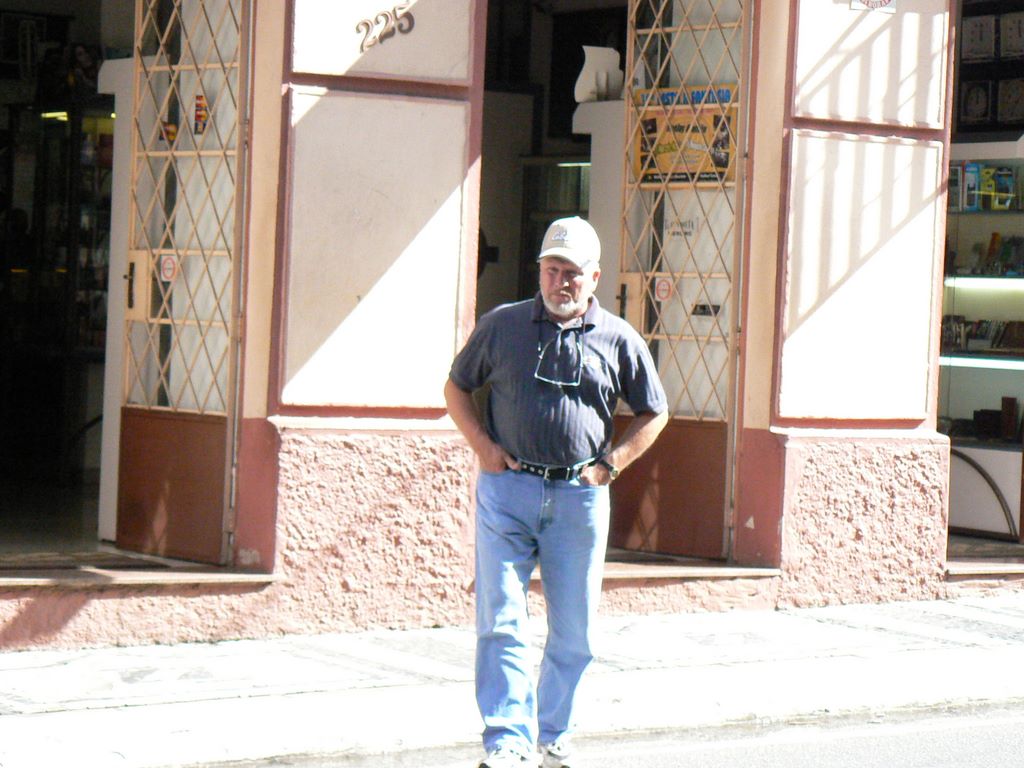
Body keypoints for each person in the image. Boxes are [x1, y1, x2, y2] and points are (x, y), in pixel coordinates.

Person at [444, 216, 668, 768]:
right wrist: (483, 448)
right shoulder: (503, 326)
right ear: (538, 272)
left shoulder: (618, 339)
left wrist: (610, 465)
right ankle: (506, 739)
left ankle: (552, 734)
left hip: (578, 499)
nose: (559, 282)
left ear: (594, 277)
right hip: (507, 492)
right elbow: (457, 386)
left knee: (575, 630)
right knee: (500, 621)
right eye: (551, 270)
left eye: (572, 273)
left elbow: (654, 411)